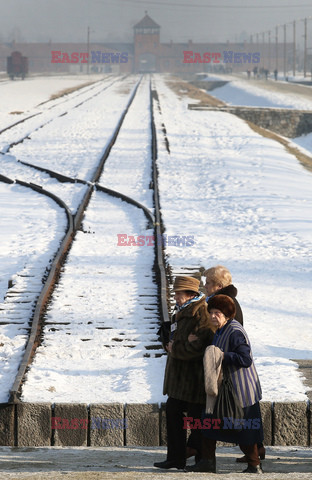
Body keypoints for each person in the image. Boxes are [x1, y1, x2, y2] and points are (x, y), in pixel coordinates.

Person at [186, 295, 264, 474]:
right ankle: (207, 462)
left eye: (217, 313)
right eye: (211, 312)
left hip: (241, 391)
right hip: (224, 389)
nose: (213, 316)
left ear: (227, 314)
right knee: (209, 422)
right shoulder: (221, 330)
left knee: (244, 429)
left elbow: (245, 359)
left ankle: (254, 464)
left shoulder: (235, 331)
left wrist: (222, 356)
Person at [154, 276, 213, 470]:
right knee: (173, 413)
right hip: (179, 379)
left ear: (190, 294)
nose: (175, 297)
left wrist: (175, 348)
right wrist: (169, 343)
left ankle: (199, 457)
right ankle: (176, 457)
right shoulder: (181, 312)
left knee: (195, 419)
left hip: (193, 379)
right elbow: (176, 339)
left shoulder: (201, 313)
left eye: (178, 294)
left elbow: (200, 346)